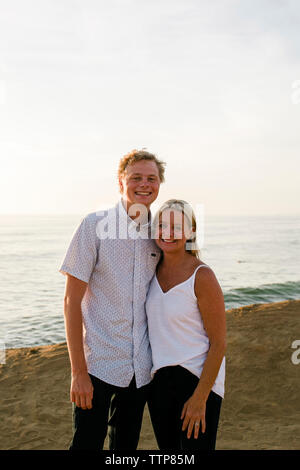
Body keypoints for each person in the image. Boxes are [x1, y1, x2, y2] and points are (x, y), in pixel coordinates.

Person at [59, 149, 165, 450]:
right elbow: (71, 302)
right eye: (136, 178)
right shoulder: (94, 225)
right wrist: (78, 373)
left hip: (141, 369)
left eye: (152, 178)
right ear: (121, 182)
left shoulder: (161, 232)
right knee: (86, 444)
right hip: (98, 364)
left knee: (125, 448)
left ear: (159, 184)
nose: (144, 184)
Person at [146, 199, 226, 450]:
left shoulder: (202, 276)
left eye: (177, 227)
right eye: (162, 225)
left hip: (197, 381)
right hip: (158, 383)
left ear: (190, 232)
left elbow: (219, 343)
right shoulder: (150, 271)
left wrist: (200, 398)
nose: (168, 233)